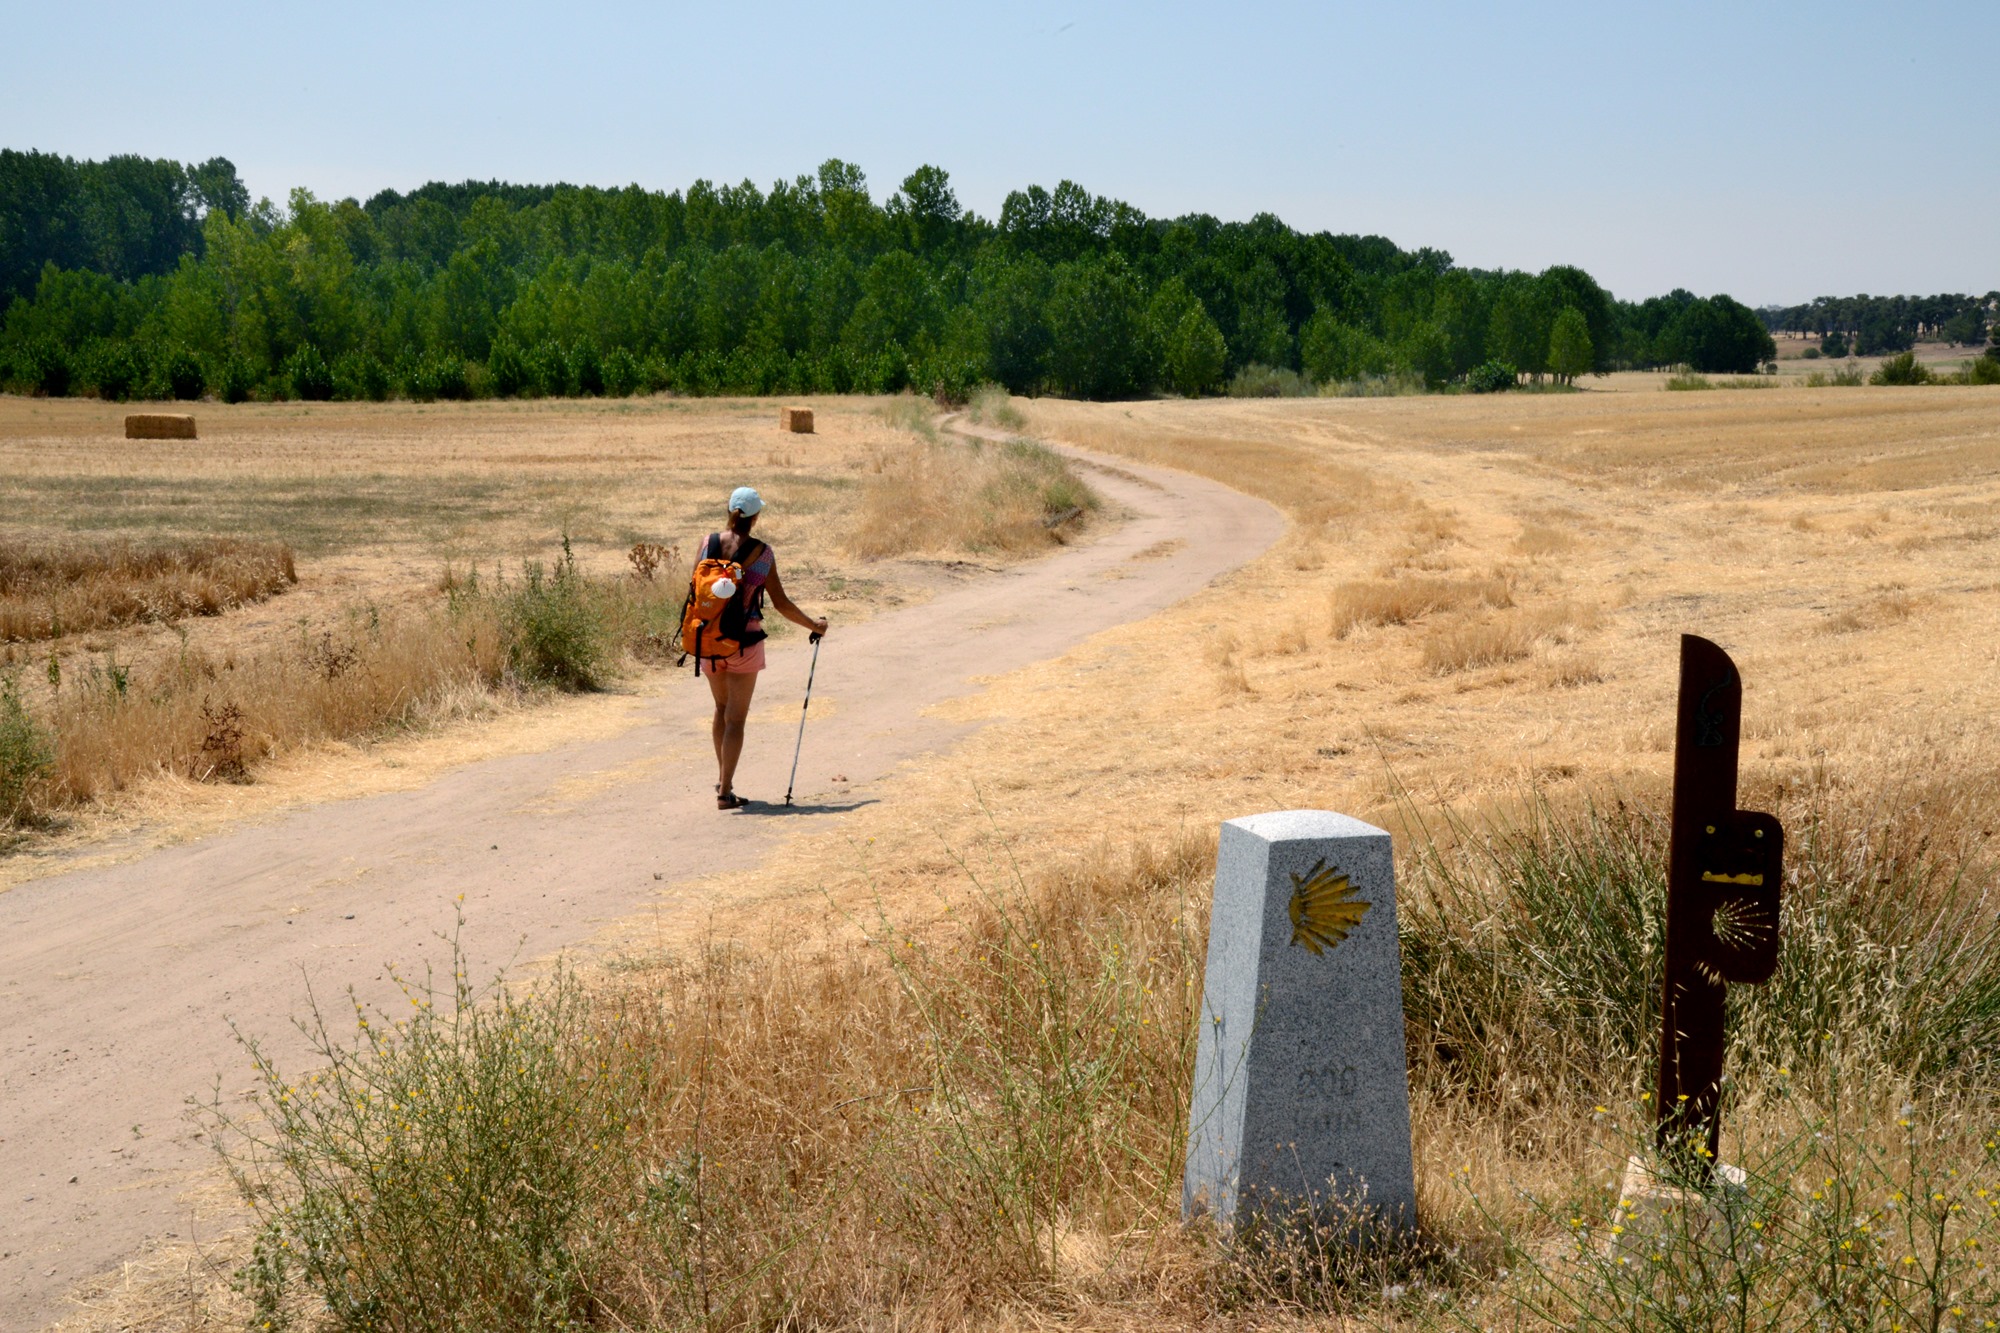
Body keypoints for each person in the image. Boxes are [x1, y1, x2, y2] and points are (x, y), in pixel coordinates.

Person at [700, 486, 828, 810]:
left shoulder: (708, 542)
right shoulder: (763, 552)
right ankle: (725, 791)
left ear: (729, 510)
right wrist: (815, 626)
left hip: (710, 640)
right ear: (756, 516)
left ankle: (723, 781)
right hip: (745, 642)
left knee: (720, 710)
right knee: (736, 720)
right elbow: (781, 603)